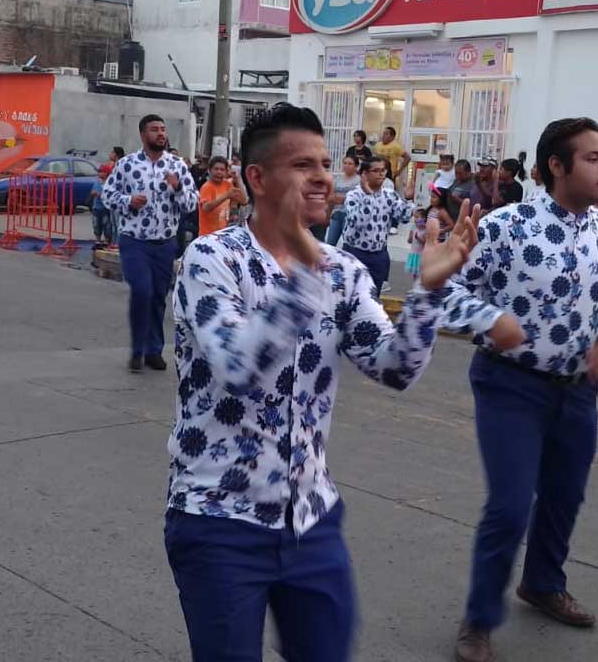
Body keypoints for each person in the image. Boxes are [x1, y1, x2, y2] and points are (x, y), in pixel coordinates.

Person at [165, 103, 479, 662]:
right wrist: (307, 272)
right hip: (218, 517)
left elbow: (395, 368)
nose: (322, 178)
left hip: (311, 517)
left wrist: (428, 294)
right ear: (258, 178)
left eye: (326, 164)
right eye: (302, 165)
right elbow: (239, 367)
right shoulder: (211, 260)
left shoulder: (344, 271)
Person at [444, 117, 598, 662]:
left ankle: (542, 583)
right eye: (592, 158)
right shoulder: (504, 227)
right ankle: (479, 618)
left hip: (578, 390)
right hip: (510, 385)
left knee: (564, 494)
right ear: (556, 166)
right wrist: (490, 320)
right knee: (510, 506)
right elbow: (447, 291)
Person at [102, 114, 198, 373]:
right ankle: (137, 351)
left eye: (163, 129)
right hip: (134, 241)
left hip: (164, 243)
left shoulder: (177, 166)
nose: (161, 133)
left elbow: (192, 204)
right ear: (143, 135)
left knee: (157, 296)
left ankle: (154, 350)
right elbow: (107, 195)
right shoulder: (127, 164)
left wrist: (177, 188)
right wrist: (128, 201)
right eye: (155, 129)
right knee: (142, 291)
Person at [341, 155, 415, 298]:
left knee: (373, 297)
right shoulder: (354, 195)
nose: (381, 174)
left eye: (383, 170)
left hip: (379, 255)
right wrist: (369, 196)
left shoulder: (389, 195)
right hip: (355, 253)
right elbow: (358, 222)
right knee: (351, 296)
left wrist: (407, 199)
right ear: (364, 174)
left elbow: (404, 218)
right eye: (376, 171)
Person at [196, 155, 248, 239]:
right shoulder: (207, 187)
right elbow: (206, 207)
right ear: (209, 170)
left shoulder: (227, 184)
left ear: (226, 171)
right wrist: (226, 195)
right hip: (207, 236)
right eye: (216, 169)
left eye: (222, 169)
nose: (219, 172)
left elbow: (244, 201)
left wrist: (237, 179)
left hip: (222, 235)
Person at [325, 153, 360, 247]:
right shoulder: (337, 180)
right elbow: (330, 198)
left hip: (349, 216)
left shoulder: (359, 181)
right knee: (330, 244)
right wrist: (328, 215)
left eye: (350, 164)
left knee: (348, 245)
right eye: (345, 163)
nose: (346, 166)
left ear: (356, 166)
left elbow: (353, 199)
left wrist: (341, 198)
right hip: (336, 214)